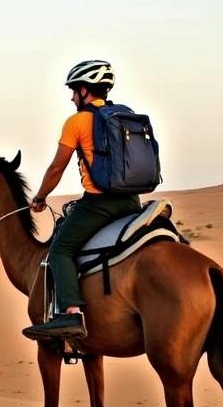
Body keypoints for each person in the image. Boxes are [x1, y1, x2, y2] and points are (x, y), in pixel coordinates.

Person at [23, 60, 141, 339]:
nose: (72, 97)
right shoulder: (125, 116)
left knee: (60, 251)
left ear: (85, 90)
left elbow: (56, 168)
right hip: (131, 203)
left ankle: (71, 314)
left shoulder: (77, 121)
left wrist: (40, 197)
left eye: (74, 91)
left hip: (99, 205)